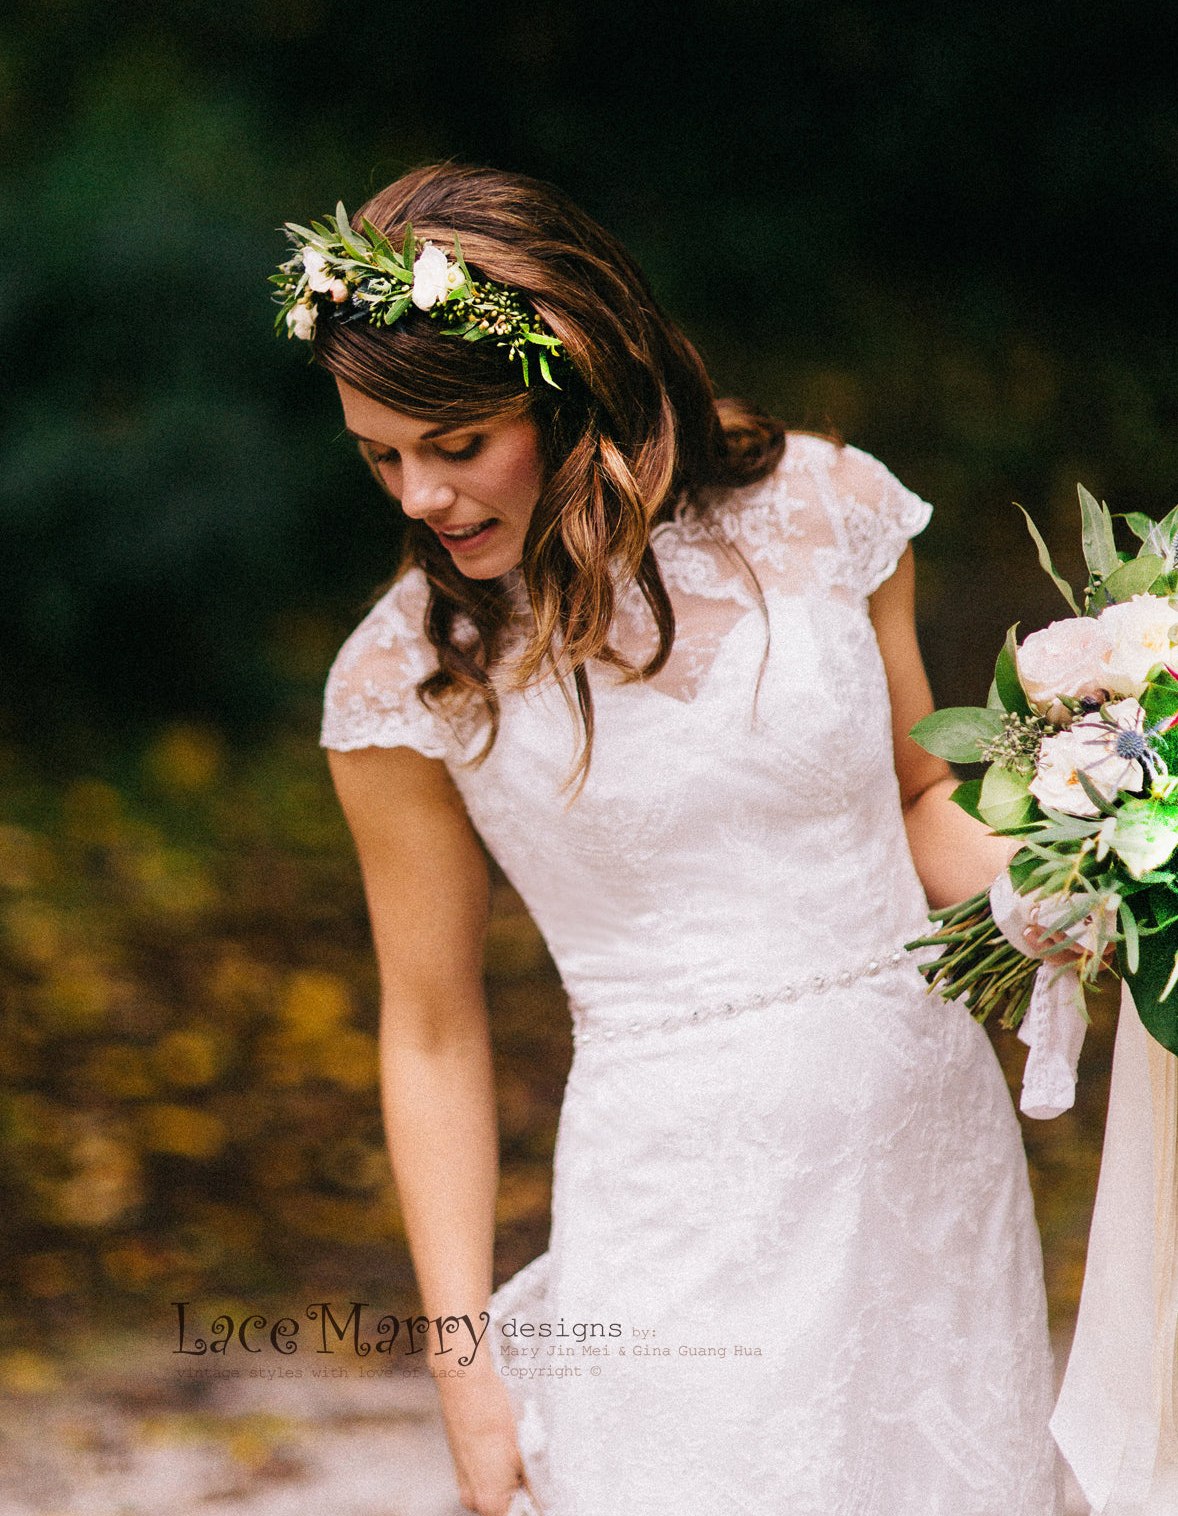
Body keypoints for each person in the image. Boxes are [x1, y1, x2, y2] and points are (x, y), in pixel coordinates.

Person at [283, 162, 1063, 1515]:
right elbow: (429, 1030)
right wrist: (466, 1369)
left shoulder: (826, 509)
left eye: (456, 445)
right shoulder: (402, 680)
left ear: (578, 384)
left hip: (925, 1159)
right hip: (676, 1200)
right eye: (381, 457)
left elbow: (920, 798)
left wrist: (1085, 877)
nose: (418, 496)